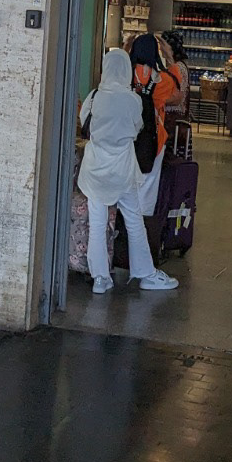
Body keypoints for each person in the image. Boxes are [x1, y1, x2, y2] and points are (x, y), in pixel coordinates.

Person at [77, 47, 180, 293]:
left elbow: (84, 124)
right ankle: (145, 274)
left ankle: (100, 278)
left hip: (95, 170)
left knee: (97, 224)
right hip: (122, 170)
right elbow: (136, 129)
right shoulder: (133, 100)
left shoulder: (94, 97)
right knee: (134, 221)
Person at [128, 32, 182, 218]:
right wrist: (169, 56)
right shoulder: (162, 80)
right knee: (147, 187)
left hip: (126, 138)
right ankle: (144, 225)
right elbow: (178, 91)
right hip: (154, 139)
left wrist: (126, 48)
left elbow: (114, 68)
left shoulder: (125, 75)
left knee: (125, 185)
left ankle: (121, 226)